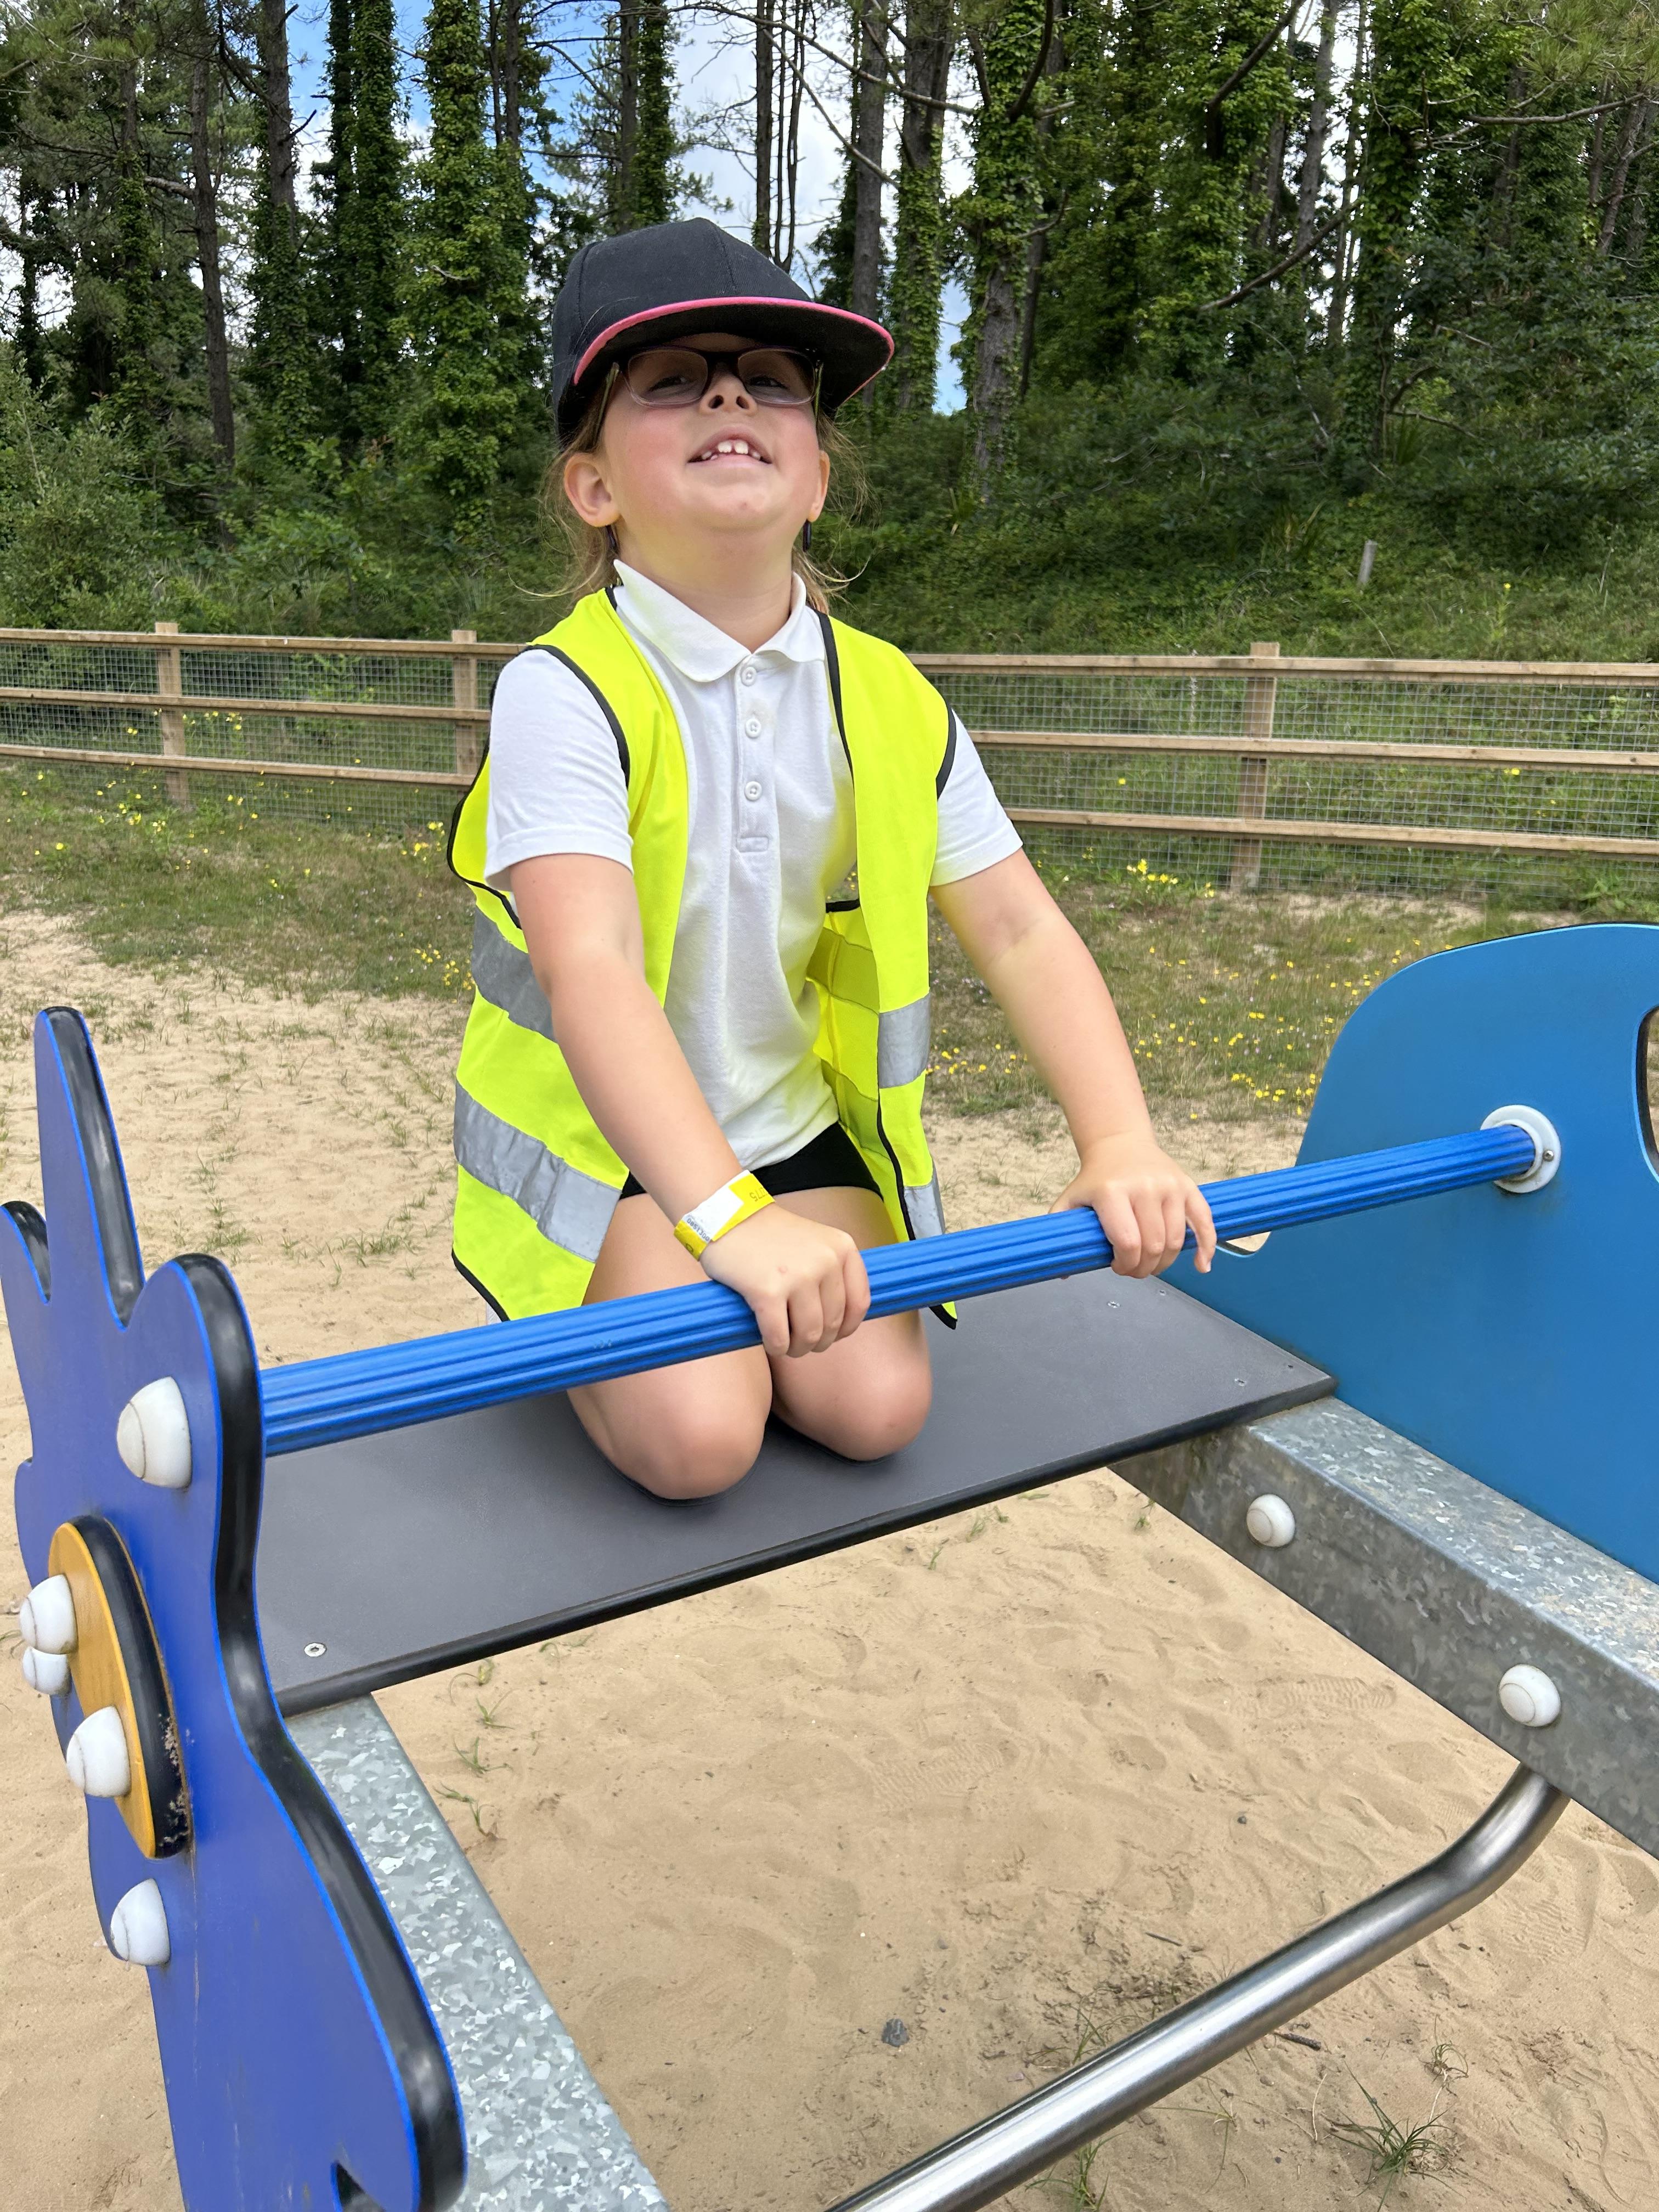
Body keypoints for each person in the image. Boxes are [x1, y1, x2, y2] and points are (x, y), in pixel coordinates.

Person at [448, 218, 1216, 1500]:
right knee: (702, 1442)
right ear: (593, 487)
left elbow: (1021, 930)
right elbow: (592, 971)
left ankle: (708, 1287)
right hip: (608, 1145)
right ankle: (587, 1314)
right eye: (673, 381)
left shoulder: (891, 696)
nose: (731, 397)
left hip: (789, 1128)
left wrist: (1120, 1139)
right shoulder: (563, 688)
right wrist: (725, 1222)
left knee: (878, 1410)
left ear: (813, 478)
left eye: (771, 380)